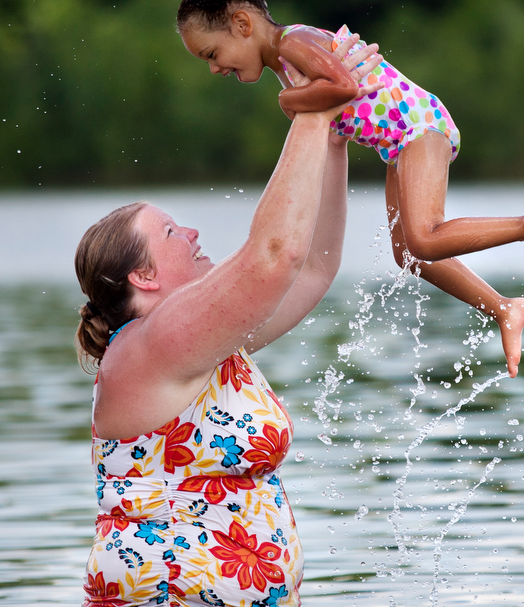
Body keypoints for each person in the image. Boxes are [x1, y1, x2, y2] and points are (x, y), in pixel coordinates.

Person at [74, 36, 382, 607]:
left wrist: (334, 136)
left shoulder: (209, 350)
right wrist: (312, 108)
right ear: (142, 277)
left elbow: (312, 267)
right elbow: (273, 258)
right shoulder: (153, 344)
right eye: (170, 233)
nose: (191, 233)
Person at [174, 0, 524, 378]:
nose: (214, 68)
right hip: (397, 143)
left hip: (419, 127)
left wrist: (290, 102)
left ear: (243, 24)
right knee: (409, 255)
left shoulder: (292, 42)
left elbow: (345, 86)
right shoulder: (286, 60)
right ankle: (503, 308)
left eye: (212, 54)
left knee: (425, 238)